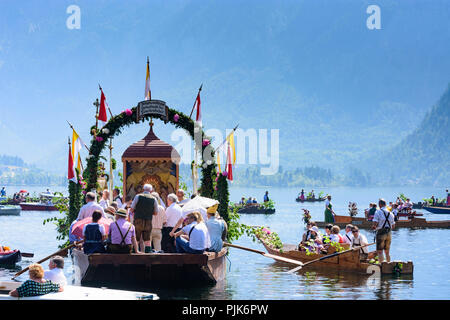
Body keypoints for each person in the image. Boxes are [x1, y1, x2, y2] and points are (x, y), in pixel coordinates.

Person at [129, 184, 158, 253]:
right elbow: (156, 213)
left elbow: (132, 209)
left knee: (136, 236)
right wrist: (149, 213)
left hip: (138, 220)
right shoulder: (154, 199)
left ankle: (134, 251)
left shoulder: (138, 196)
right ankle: (148, 252)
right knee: (147, 237)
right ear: (151, 190)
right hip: (148, 220)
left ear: (143, 189)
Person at [372, 198, 395, 263]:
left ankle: (382, 266)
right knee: (387, 252)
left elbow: (375, 224)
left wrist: (374, 227)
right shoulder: (391, 213)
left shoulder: (378, 212)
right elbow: (393, 226)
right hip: (389, 233)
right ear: (385, 204)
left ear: (380, 205)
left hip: (381, 232)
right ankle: (388, 265)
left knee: (380, 251)